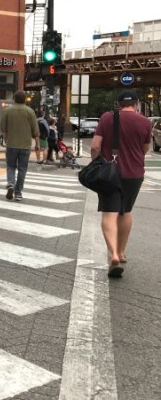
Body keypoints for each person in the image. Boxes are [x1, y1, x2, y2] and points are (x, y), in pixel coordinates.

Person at [90, 90, 151, 278]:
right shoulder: (145, 122)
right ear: (137, 102)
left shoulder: (107, 118)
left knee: (110, 213)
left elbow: (95, 146)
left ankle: (113, 254)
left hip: (110, 174)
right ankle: (122, 251)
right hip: (134, 174)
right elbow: (145, 149)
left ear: (118, 104)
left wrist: (97, 163)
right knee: (125, 211)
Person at [0, 90, 39, 201]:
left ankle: (11, 183)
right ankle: (18, 193)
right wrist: (37, 144)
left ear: (14, 99)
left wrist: (7, 139)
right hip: (25, 145)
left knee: (11, 166)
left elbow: (3, 129)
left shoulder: (8, 111)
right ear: (25, 100)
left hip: (12, 144)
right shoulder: (30, 112)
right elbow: (35, 131)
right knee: (22, 169)